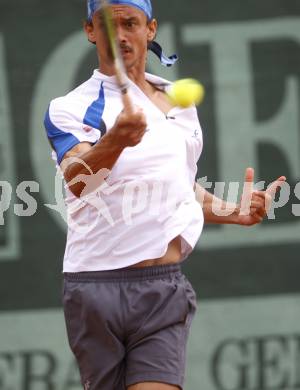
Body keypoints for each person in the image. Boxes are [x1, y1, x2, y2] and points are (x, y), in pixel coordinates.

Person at [44, 1, 286, 389]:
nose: (120, 35)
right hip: (94, 288)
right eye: (107, 26)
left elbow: (177, 187)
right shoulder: (68, 108)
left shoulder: (178, 101)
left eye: (130, 23)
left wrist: (234, 210)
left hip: (162, 289)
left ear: (150, 29)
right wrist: (117, 141)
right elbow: (77, 180)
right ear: (90, 31)